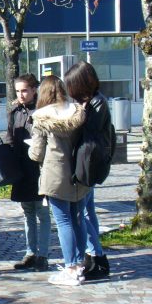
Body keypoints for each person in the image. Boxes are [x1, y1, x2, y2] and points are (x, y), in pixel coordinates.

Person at [28, 75, 90, 287]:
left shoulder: (41, 117)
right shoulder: (77, 111)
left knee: (63, 221)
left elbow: (36, 153)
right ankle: (80, 264)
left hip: (55, 173)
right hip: (79, 172)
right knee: (77, 219)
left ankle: (70, 267)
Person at [64, 61, 112, 280]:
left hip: (89, 164)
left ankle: (98, 258)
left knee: (82, 212)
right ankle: (94, 256)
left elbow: (88, 130)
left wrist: (78, 114)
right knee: (86, 211)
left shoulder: (97, 103)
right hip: (86, 162)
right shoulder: (91, 102)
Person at [6, 74, 50, 272]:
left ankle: (43, 255)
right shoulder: (15, 111)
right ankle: (30, 252)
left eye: (24, 90)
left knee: (42, 212)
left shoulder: (42, 111)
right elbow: (10, 136)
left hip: (39, 167)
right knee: (27, 212)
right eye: (18, 91)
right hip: (21, 167)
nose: (21, 95)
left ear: (34, 90)